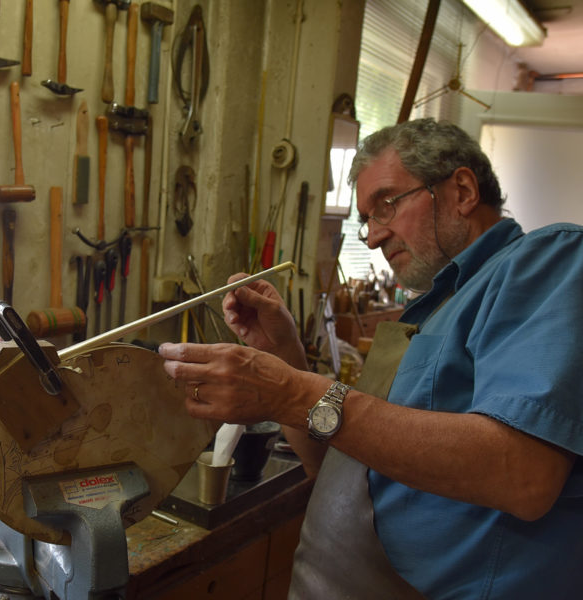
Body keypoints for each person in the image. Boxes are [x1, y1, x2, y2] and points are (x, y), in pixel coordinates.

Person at [159, 118, 583, 599]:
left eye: (386, 205)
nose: (374, 237)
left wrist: (294, 391)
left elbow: (521, 472)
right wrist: (285, 363)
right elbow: (344, 467)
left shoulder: (546, 260)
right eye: (367, 219)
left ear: (462, 190)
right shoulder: (436, 306)